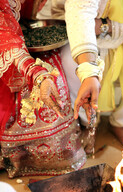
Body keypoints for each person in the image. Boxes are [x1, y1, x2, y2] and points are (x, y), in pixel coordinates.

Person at [47, 0, 123, 147]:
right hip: (77, 25)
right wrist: (88, 71)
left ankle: (122, 122)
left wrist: (108, 26)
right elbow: (80, 13)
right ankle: (86, 122)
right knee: (70, 62)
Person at [0, 0, 86, 178]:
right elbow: (7, 43)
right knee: (28, 93)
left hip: (18, 34)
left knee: (57, 73)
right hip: (7, 51)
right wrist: (38, 75)